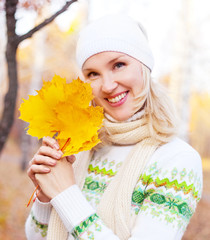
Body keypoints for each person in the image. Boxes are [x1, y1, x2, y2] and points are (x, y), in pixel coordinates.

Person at [25, 14, 203, 240]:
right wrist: (45, 196)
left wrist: (65, 194)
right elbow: (35, 236)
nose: (108, 86)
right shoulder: (79, 150)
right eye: (93, 74)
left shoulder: (177, 159)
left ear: (144, 67)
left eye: (119, 65)